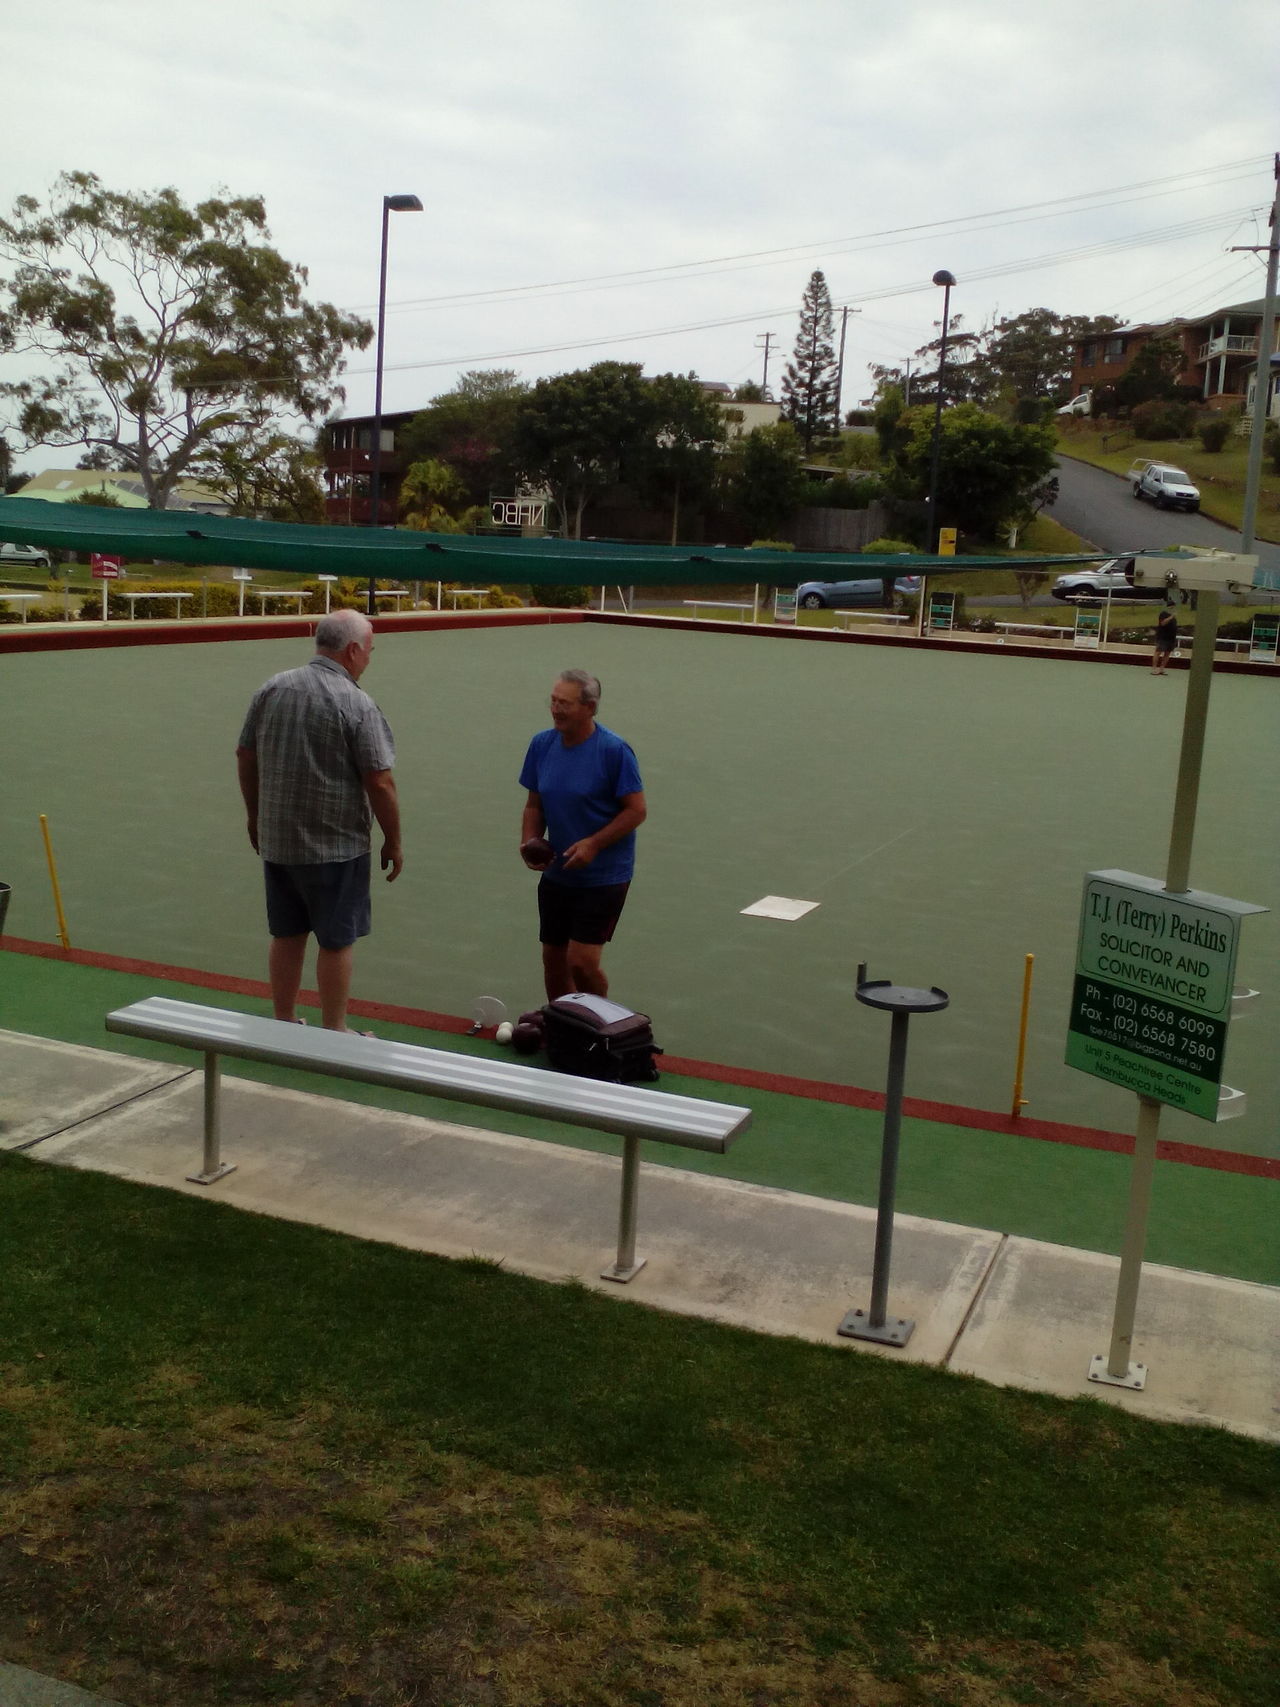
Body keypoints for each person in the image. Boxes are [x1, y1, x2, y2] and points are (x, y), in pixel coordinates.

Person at [236, 609, 402, 1031]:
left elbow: (245, 754)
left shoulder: (272, 687)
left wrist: (255, 816)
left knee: (287, 933)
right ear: (351, 651)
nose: (369, 658)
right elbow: (380, 781)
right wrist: (393, 840)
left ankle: (284, 1019)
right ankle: (335, 1030)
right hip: (335, 846)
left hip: (278, 842)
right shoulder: (355, 702)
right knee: (336, 939)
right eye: (369, 651)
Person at [519, 669, 646, 1000]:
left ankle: (603, 1028)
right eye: (554, 702)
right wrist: (530, 840)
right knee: (554, 960)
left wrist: (593, 843)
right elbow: (534, 804)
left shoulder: (614, 751)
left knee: (582, 963)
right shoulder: (542, 745)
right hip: (558, 874)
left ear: (589, 708)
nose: (556, 710)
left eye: (566, 704)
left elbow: (636, 810)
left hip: (604, 876)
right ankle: (564, 1026)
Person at [1152, 605, 1178, 675]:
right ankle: (1154, 669)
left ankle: (1162, 669)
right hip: (1163, 637)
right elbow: (1163, 623)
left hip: (1171, 638)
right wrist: (1171, 617)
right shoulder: (1163, 614)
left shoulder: (1174, 618)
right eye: (1171, 607)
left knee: (1167, 653)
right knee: (1158, 652)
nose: (1173, 608)